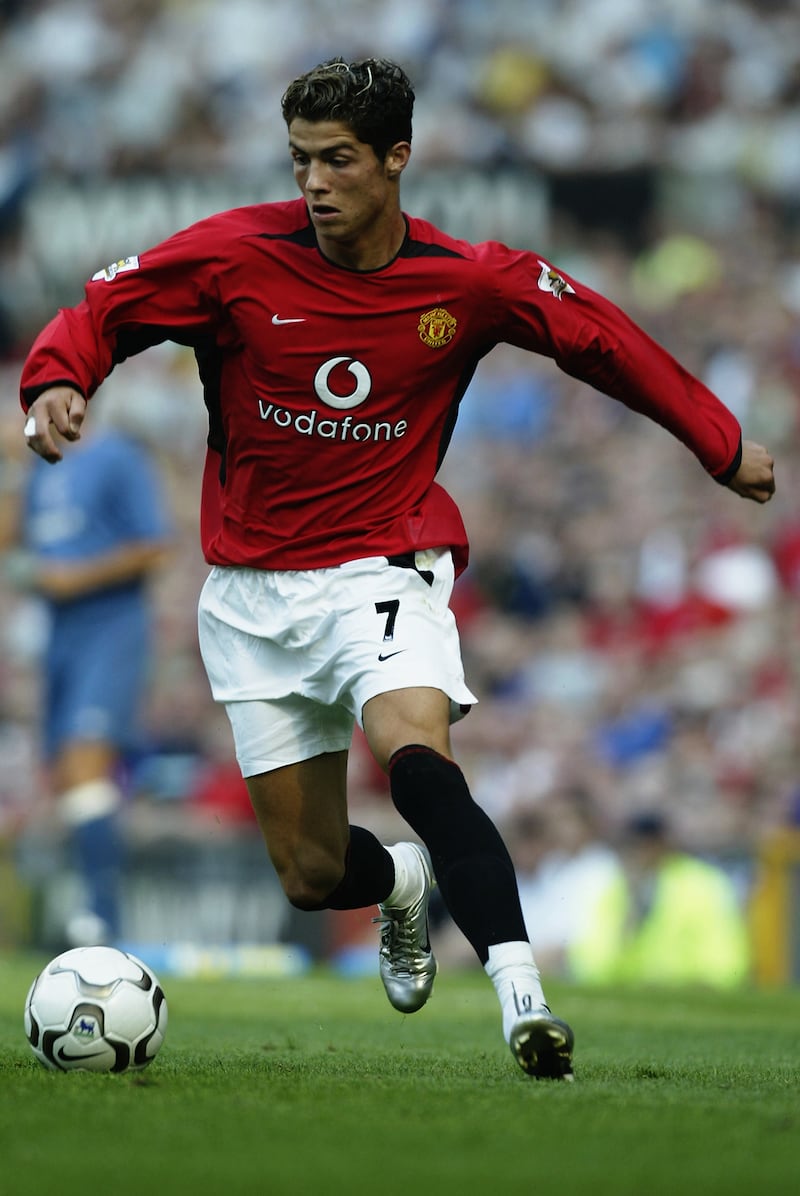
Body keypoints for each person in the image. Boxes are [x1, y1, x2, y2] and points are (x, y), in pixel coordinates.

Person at [18, 57, 775, 1081]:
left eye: (337, 160)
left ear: (396, 160)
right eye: (300, 161)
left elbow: (598, 337)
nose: (315, 183)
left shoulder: (465, 279)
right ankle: (400, 881)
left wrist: (717, 441)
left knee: (415, 758)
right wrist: (60, 380)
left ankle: (520, 998)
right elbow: (105, 306)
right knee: (310, 871)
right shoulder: (234, 255)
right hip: (249, 597)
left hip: (385, 559)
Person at [14, 420, 172, 947]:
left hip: (112, 628)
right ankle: (90, 903)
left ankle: (102, 918)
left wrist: (74, 575)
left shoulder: (117, 457)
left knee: (85, 762)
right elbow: (21, 541)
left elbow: (154, 544)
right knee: (67, 775)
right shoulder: (38, 469)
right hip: (59, 633)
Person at [568, 812, 752, 988]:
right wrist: (626, 926)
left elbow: (725, 966)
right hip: (634, 993)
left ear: (664, 843)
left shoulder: (703, 883)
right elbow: (589, 967)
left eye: (648, 843)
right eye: (635, 845)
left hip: (686, 993)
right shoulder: (615, 888)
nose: (642, 852)